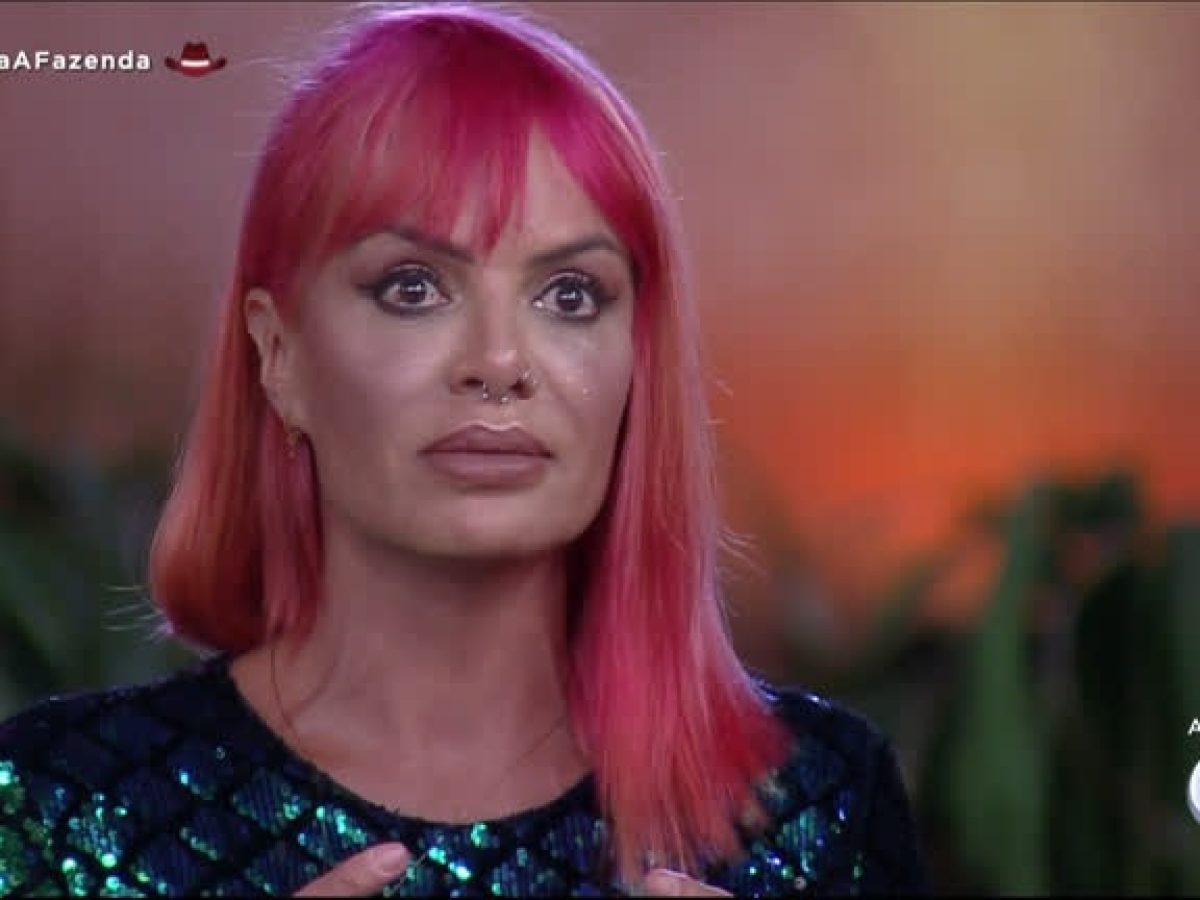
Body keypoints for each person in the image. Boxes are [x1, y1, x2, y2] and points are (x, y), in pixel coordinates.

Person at [0, 3, 928, 896]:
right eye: (413, 287)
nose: (498, 362)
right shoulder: (55, 804)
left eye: (570, 296)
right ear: (279, 357)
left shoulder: (821, 807)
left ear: (637, 363)